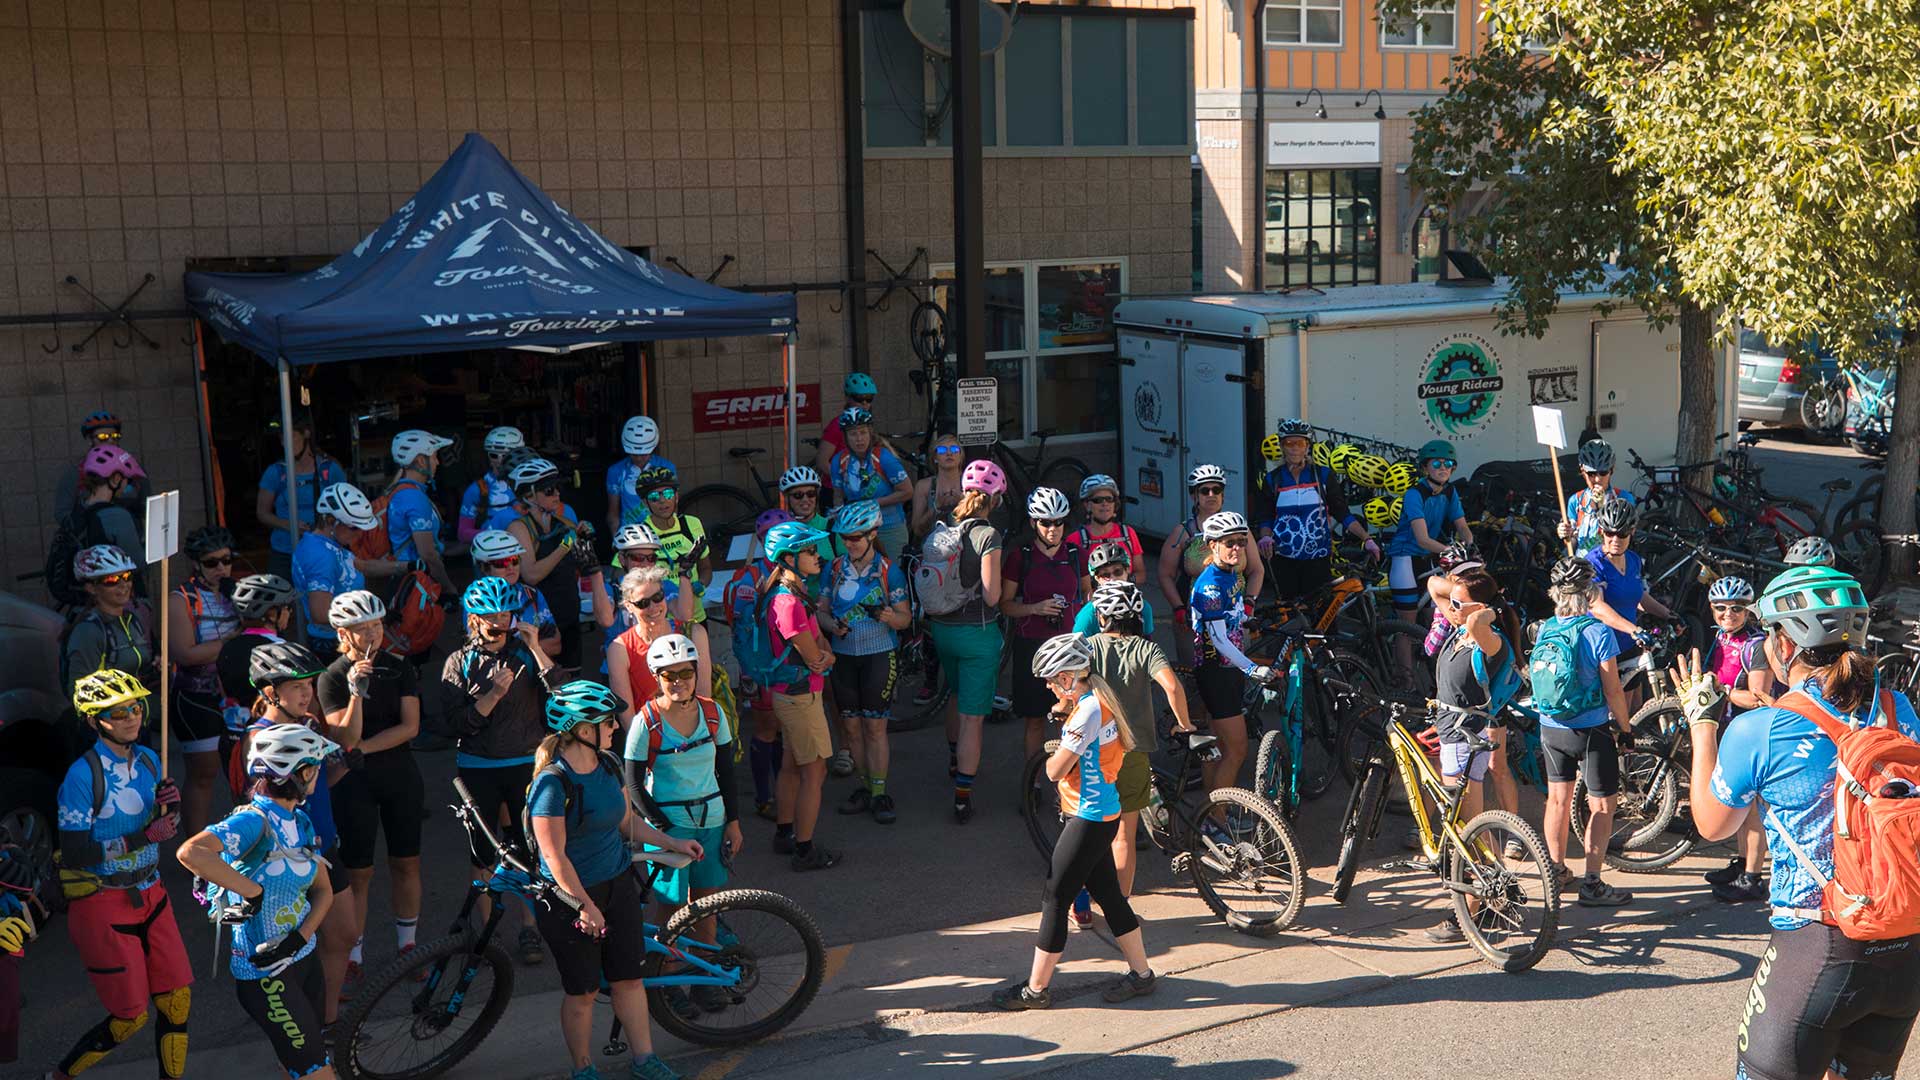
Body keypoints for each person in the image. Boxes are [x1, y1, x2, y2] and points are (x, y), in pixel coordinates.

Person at [1675, 565, 1920, 1080]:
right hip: (1905, 946)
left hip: (1817, 947)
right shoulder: (1900, 711)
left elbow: (1712, 826)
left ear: (1785, 646)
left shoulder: (1760, 728)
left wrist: (1702, 726)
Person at [529, 681, 695, 1080]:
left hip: (616, 882)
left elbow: (625, 821)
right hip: (568, 898)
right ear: (584, 730)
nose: (615, 728)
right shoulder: (553, 783)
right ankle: (583, 1069)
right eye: (607, 723)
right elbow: (554, 856)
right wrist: (585, 906)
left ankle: (645, 1060)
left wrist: (671, 840)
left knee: (630, 979)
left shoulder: (607, 765)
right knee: (583, 991)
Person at [991, 634, 1156, 1011]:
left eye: (1051, 679)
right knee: (1110, 897)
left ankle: (1035, 991)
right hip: (1103, 812)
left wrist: (1063, 735)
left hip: (1088, 816)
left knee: (1055, 896)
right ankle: (1142, 976)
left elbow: (1052, 770)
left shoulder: (1085, 713)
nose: (1048, 686)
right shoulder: (1098, 699)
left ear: (1068, 678)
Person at [49, 670, 192, 1080]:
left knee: (177, 1001)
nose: (132, 717)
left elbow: (162, 824)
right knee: (130, 1017)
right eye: (118, 712)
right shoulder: (81, 776)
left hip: (152, 891)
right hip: (102, 902)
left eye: (136, 707)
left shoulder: (149, 758)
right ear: (95, 720)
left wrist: (171, 808)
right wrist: (143, 835)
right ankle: (60, 1076)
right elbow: (75, 853)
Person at [176, 723, 340, 1080]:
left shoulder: (301, 820)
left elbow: (324, 891)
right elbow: (191, 852)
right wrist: (252, 892)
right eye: (315, 767)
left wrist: (299, 937)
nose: (318, 775)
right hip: (267, 976)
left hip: (304, 959)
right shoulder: (254, 820)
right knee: (318, 1073)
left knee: (296, 1068)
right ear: (299, 773)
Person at [441, 576, 563, 966]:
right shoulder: (458, 662)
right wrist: (491, 696)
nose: (500, 623)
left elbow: (560, 697)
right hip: (477, 766)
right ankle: (487, 932)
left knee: (526, 848)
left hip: (525, 762)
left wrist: (534, 648)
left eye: (506, 614)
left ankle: (530, 927)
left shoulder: (524, 652)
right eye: (490, 616)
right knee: (482, 852)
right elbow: (455, 725)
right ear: (473, 620)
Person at [238, 640, 360, 1026]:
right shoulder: (258, 738)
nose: (308, 692)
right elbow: (259, 800)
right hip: (285, 859)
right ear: (271, 692)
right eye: (297, 686)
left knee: (343, 934)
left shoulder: (307, 724)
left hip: (323, 847)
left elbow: (315, 786)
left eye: (310, 683)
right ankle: (303, 1035)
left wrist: (342, 769)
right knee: (291, 954)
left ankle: (327, 1023)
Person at [622, 636, 742, 1023]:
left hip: (712, 820)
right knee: (671, 910)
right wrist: (663, 831)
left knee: (708, 906)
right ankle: (669, 984)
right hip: (671, 826)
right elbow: (635, 785)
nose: (679, 682)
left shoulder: (713, 713)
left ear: (695, 674)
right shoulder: (647, 721)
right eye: (669, 676)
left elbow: (727, 771)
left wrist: (734, 824)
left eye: (685, 674)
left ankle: (704, 979)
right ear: (657, 677)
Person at [315, 590, 426, 992]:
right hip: (354, 782)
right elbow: (343, 734)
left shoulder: (399, 668)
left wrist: (362, 749)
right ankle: (353, 954)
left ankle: (408, 945)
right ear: (343, 634)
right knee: (358, 872)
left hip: (398, 774)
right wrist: (355, 691)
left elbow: (410, 726)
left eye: (377, 625)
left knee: (406, 863)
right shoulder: (330, 677)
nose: (373, 635)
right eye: (362, 629)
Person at [1425, 569, 1526, 943]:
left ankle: (1475, 909)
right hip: (1451, 735)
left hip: (1466, 742)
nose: (1448, 608)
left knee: (1470, 834)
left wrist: (1486, 611)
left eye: (1457, 605)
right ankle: (1490, 899)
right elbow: (1434, 587)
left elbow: (1479, 617)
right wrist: (1459, 588)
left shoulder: (1489, 639)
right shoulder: (1459, 627)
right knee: (1467, 829)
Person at [1530, 557, 1635, 906]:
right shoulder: (1598, 631)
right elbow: (1613, 689)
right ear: (1590, 592)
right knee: (1602, 805)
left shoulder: (1545, 627)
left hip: (1550, 727)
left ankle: (1555, 872)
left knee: (1557, 800)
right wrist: (1625, 727)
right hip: (1591, 729)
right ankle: (1592, 883)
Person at [1082, 580, 1192, 900]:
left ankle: (1083, 900)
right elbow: (1172, 687)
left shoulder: (1087, 646)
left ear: (1102, 617)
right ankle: (1121, 908)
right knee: (1124, 837)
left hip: (1093, 751)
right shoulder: (1147, 649)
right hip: (1132, 751)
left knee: (1087, 831)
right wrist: (1184, 725)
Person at [820, 501, 911, 825]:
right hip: (844, 656)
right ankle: (864, 788)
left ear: (872, 534)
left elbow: (905, 619)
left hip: (878, 655)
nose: (849, 543)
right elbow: (821, 610)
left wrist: (888, 615)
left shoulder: (888, 571)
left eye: (856, 537)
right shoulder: (833, 568)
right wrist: (832, 626)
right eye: (845, 538)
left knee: (875, 728)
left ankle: (879, 792)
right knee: (852, 729)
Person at [758, 521, 840, 869]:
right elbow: (814, 657)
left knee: (792, 765)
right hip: (801, 694)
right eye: (809, 550)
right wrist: (827, 656)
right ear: (788, 558)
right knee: (815, 771)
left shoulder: (782, 590)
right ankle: (804, 850)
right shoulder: (788, 600)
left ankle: (784, 833)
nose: (817, 555)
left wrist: (822, 651)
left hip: (788, 693)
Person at [929, 461, 1008, 824]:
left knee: (955, 693)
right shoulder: (988, 536)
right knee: (973, 719)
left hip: (942, 629)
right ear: (996, 500)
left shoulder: (945, 525)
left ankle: (949, 758)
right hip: (977, 632)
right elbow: (993, 597)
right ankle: (963, 796)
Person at [1187, 511, 1274, 820]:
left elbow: (1233, 617)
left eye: (1241, 542)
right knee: (1237, 750)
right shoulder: (1210, 586)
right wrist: (1252, 669)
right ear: (1212, 546)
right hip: (1217, 672)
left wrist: (1249, 618)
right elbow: (1220, 641)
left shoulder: (1232, 574)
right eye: (1229, 543)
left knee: (1218, 749)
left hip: (1228, 670)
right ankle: (1218, 821)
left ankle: (1211, 814)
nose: (1236, 549)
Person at [1696, 575, 1775, 903]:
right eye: (1720, 607)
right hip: (1731, 729)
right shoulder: (1721, 637)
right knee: (1740, 803)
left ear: (1748, 610)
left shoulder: (1756, 646)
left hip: (1753, 732)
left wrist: (1723, 691)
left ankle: (1753, 877)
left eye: (1737, 608)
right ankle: (1742, 862)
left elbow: (1759, 697)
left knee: (1754, 806)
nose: (1728, 613)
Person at [167, 526, 243, 834]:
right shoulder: (181, 598)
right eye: (212, 563)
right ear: (196, 564)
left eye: (227, 560)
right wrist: (235, 641)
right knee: (203, 773)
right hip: (195, 695)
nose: (222, 569)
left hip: (232, 694)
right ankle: (194, 851)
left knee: (241, 770)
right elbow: (185, 653)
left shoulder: (237, 592)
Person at [1003, 487, 1086, 762]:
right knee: (1035, 720)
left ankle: (1070, 784)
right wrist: (1035, 608)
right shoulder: (1020, 557)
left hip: (1071, 647)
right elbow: (1005, 605)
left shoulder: (1075, 553)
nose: (1053, 529)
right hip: (1033, 646)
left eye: (1059, 522)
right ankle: (1034, 782)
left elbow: (1089, 597)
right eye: (1045, 522)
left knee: (1073, 719)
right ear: (1033, 523)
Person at [1257, 418, 1378, 600]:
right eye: (1289, 443)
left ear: (1307, 447)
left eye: (1300, 443)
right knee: (1289, 615)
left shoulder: (1323, 475)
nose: (1295, 448)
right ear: (1282, 447)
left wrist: (1367, 539)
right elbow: (1266, 516)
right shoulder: (1272, 479)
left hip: (1318, 558)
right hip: (1283, 558)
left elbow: (1342, 512)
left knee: (1322, 616)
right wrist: (1265, 536)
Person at [498, 457, 600, 671]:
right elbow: (531, 574)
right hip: (541, 622)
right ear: (529, 496)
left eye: (557, 489)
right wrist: (564, 547)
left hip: (569, 613)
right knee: (543, 685)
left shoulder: (563, 523)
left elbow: (584, 565)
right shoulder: (519, 528)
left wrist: (584, 539)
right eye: (549, 491)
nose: (557, 495)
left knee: (572, 681)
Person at [1158, 465, 1264, 664]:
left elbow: (1257, 570)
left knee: (1236, 672)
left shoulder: (1239, 528)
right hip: (1194, 618)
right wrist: (1178, 608)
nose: (1211, 495)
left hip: (1235, 613)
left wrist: (1249, 602)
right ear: (1194, 496)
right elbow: (1165, 574)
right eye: (1204, 491)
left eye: (1217, 490)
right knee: (1196, 674)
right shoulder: (1183, 532)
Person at [727, 510, 792, 820]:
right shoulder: (749, 578)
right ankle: (764, 798)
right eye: (770, 537)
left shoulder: (795, 570)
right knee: (766, 728)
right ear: (761, 541)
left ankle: (783, 789)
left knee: (780, 729)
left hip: (788, 663)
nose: (779, 542)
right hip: (761, 665)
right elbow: (740, 626)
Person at [1584, 497, 1673, 712]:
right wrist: (1635, 630)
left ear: (1632, 531)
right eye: (1609, 533)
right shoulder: (1594, 563)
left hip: (1629, 645)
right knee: (1616, 713)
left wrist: (1667, 614)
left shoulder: (1632, 560)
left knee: (1635, 708)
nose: (1615, 539)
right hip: (1604, 649)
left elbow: (1638, 596)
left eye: (1622, 533)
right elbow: (1597, 607)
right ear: (1601, 532)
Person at [608, 566, 712, 730]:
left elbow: (704, 697)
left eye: (657, 597)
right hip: (652, 740)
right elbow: (629, 719)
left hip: (696, 734)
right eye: (643, 603)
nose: (653, 607)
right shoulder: (619, 649)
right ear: (629, 606)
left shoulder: (694, 633)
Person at [1385, 440, 1472, 635]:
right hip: (1405, 557)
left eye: (1448, 464)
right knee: (1407, 625)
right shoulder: (1414, 494)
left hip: (1429, 557)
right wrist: (1452, 551)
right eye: (1436, 463)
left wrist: (1470, 544)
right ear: (1425, 467)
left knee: (1437, 622)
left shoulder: (1450, 491)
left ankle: (1434, 665)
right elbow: (1422, 539)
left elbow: (1463, 527)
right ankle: (1402, 667)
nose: (1443, 468)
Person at [293, 482, 377, 666]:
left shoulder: (330, 545)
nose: (360, 534)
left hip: (342, 639)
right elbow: (321, 613)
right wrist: (371, 617)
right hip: (335, 646)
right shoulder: (321, 555)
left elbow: (363, 566)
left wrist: (406, 566)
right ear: (331, 521)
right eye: (354, 527)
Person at [256, 412, 348, 580]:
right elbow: (262, 513)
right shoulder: (275, 472)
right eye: (282, 439)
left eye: (290, 437)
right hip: (285, 552)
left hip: (323, 549)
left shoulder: (329, 469)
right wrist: (289, 525)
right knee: (281, 602)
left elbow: (346, 511)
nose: (285, 444)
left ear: (306, 434)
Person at [595, 524, 695, 676]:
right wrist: (594, 574)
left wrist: (684, 574)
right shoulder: (612, 588)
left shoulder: (664, 586)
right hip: (619, 670)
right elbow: (605, 620)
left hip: (658, 668)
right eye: (638, 558)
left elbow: (684, 615)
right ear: (622, 559)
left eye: (651, 558)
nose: (645, 564)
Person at [216, 575, 298, 747]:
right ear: (271, 613)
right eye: (287, 607)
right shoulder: (283, 650)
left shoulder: (227, 648)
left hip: (234, 738)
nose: (289, 612)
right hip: (275, 740)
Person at [64, 545, 155, 700]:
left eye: (126, 576)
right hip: (113, 719)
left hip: (137, 711)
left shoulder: (133, 620)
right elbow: (78, 691)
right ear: (91, 588)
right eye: (111, 580)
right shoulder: (89, 631)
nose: (123, 585)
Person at [67, 445, 150, 602]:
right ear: (116, 479)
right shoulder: (117, 516)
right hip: (119, 603)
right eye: (127, 480)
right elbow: (139, 564)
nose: (127, 485)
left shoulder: (79, 509)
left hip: (87, 602)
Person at [826, 407, 913, 557]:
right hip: (857, 530)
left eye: (863, 432)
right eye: (853, 434)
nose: (859, 439)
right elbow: (838, 496)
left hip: (889, 526)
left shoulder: (884, 457)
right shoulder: (839, 461)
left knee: (892, 574)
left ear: (870, 433)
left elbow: (907, 492)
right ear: (845, 437)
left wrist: (873, 504)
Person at [468, 528, 561, 657]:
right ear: (483, 568)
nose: (510, 567)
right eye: (501, 563)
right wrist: (534, 645)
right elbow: (482, 653)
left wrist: (509, 649)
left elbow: (555, 646)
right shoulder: (475, 601)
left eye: (514, 560)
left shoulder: (532, 594)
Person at [386, 429, 457, 597]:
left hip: (405, 580)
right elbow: (428, 554)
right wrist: (448, 588)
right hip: (416, 584)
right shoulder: (414, 498)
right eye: (434, 456)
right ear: (420, 461)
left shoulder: (400, 491)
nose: (438, 462)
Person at [637, 466, 712, 623]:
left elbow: (706, 568)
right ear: (645, 503)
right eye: (654, 497)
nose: (663, 500)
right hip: (660, 620)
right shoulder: (640, 533)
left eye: (668, 494)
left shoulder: (692, 524)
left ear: (677, 497)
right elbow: (623, 575)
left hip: (695, 616)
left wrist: (701, 584)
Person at [55, 409, 149, 521]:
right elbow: (62, 513)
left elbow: (148, 506)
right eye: (102, 436)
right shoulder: (75, 473)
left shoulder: (132, 469)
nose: (110, 440)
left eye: (114, 435)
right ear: (89, 440)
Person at [1559, 439, 1636, 557]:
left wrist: (1602, 507)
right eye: (1591, 474)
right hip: (1584, 566)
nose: (1597, 479)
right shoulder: (1576, 500)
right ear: (1582, 471)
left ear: (1612, 470)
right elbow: (1571, 541)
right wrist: (1565, 533)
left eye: (1603, 472)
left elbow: (1626, 537)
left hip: (1611, 563)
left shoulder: (1624, 498)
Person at [605, 415, 676, 532]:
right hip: (630, 533)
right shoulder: (616, 471)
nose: (638, 458)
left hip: (660, 531)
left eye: (643, 454)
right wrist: (616, 542)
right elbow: (613, 514)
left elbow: (673, 506)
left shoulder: (667, 467)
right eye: (633, 453)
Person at [1069, 475, 1145, 586]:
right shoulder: (1075, 539)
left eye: (1109, 499)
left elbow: (1141, 574)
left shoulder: (1128, 533)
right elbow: (1069, 579)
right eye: (1098, 500)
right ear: (1087, 505)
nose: (1105, 503)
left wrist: (1120, 581)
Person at [458, 425, 526, 543]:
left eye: (505, 455)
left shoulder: (530, 483)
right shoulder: (477, 489)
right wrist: (495, 533)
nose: (500, 460)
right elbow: (463, 533)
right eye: (494, 455)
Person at [1073, 542, 1156, 636]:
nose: (1112, 579)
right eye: (1105, 575)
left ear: (1127, 570)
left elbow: (1148, 643)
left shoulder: (1144, 607)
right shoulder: (1089, 614)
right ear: (1097, 578)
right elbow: (1077, 647)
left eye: (1117, 572)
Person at [813, 371, 880, 482]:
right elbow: (822, 462)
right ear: (848, 398)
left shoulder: (867, 422)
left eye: (869, 398)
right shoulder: (837, 425)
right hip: (835, 490)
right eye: (859, 398)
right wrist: (846, 481)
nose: (864, 403)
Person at [909, 435, 965, 539]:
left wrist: (964, 503)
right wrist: (936, 508)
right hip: (934, 548)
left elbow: (983, 523)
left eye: (954, 449)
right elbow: (917, 530)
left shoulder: (970, 482)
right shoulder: (924, 486)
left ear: (960, 456)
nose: (949, 453)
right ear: (935, 458)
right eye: (942, 450)